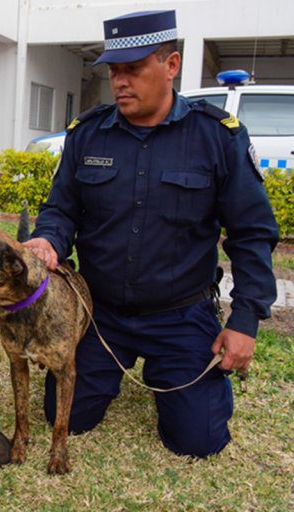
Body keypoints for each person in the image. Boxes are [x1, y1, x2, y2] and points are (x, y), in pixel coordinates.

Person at [27, 10, 278, 457]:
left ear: (171, 65)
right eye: (114, 70)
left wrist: (244, 322)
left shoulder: (217, 137)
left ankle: (174, 378)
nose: (119, 81)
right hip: (99, 314)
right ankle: (112, 372)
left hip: (180, 316)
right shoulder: (88, 135)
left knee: (198, 442)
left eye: (134, 68)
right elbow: (61, 210)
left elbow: (252, 232)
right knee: (65, 417)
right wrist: (48, 238)